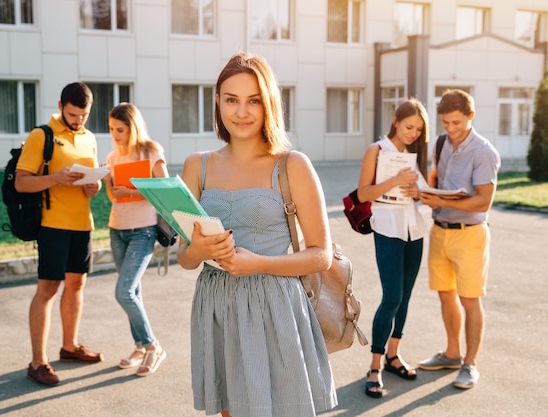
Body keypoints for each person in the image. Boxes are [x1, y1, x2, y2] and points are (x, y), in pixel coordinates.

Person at [176, 52, 337, 417]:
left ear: (269, 105)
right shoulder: (197, 166)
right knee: (231, 411)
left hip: (275, 303)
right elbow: (184, 259)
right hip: (216, 303)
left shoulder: (292, 164)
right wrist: (198, 250)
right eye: (231, 100)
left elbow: (321, 255)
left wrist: (259, 263)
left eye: (254, 100)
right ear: (218, 102)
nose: (241, 112)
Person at [16, 82, 103, 386]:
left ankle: (69, 346)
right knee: (49, 289)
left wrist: (95, 186)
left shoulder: (90, 138)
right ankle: (38, 362)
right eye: (73, 114)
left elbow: (92, 179)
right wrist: (56, 178)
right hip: (52, 225)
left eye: (84, 115)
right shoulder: (42, 135)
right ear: (60, 106)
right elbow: (22, 183)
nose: (78, 120)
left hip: (83, 223)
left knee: (76, 285)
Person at [418, 89, 501, 389]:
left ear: (471, 116)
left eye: (456, 122)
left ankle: (470, 363)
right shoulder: (441, 143)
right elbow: (436, 179)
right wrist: (427, 192)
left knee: (469, 299)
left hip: (470, 236)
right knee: (445, 294)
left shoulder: (484, 152)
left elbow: (483, 202)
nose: (450, 129)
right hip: (440, 230)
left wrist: (445, 202)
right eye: (445, 123)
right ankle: (452, 353)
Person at [357, 98, 430, 398]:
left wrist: (417, 192)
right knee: (392, 297)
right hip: (387, 230)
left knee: (406, 297)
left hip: (414, 231)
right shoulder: (376, 151)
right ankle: (374, 366)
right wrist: (395, 180)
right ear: (396, 121)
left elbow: (424, 194)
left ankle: (394, 355)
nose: (413, 133)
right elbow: (363, 193)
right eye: (409, 126)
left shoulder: (414, 154)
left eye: (419, 130)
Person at [103, 102, 168, 376]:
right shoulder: (112, 157)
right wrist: (106, 181)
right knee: (134, 292)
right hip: (117, 228)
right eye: (111, 129)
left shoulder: (151, 151)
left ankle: (154, 347)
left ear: (133, 126)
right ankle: (140, 346)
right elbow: (112, 197)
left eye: (120, 129)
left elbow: (165, 190)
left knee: (124, 291)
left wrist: (130, 192)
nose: (115, 135)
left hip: (143, 229)